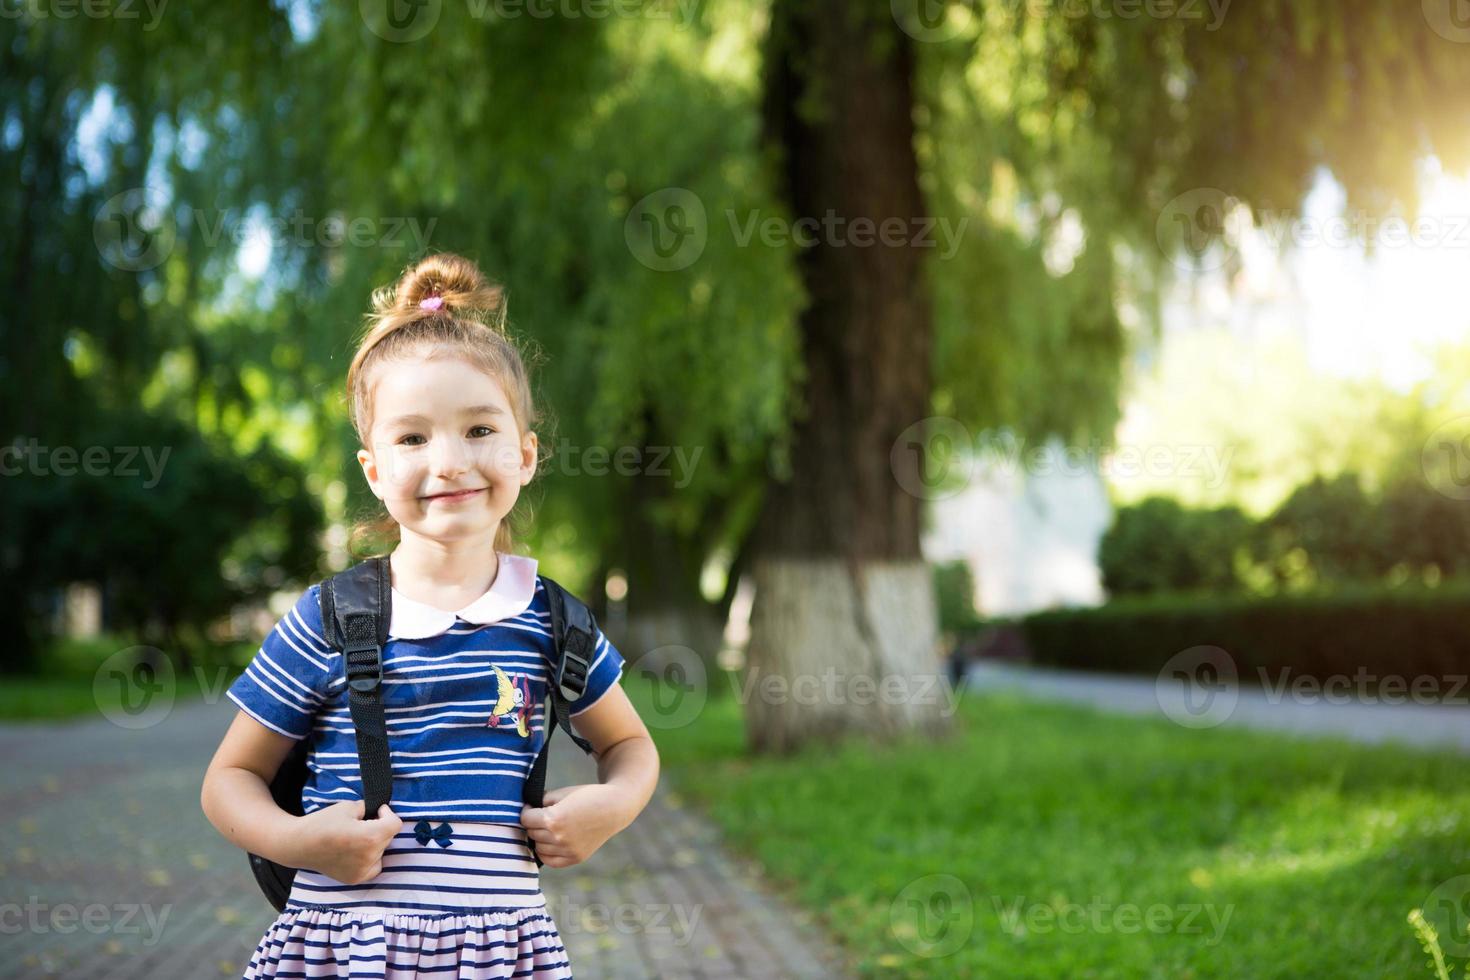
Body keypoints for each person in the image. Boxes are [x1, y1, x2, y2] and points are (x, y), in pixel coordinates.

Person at [200, 252, 660, 978]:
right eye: (413, 438)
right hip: (345, 952)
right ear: (374, 470)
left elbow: (632, 748)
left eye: (480, 430)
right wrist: (301, 841)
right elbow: (228, 780)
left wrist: (614, 806)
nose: (447, 461)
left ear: (527, 454)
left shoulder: (553, 622)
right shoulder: (330, 619)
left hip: (499, 955)